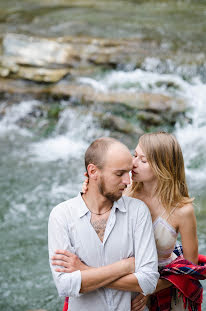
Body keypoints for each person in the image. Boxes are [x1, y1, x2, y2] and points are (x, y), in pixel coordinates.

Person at [56, 132, 204, 311]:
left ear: (162, 166)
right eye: (135, 155)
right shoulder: (123, 190)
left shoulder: (182, 210)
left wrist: (149, 290)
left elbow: (190, 270)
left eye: (143, 160)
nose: (133, 163)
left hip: (162, 285)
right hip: (124, 278)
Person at [48, 137, 159, 311]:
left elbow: (148, 282)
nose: (128, 181)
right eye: (119, 173)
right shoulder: (61, 215)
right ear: (93, 171)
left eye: (128, 172)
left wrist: (84, 271)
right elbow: (65, 286)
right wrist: (124, 267)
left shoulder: (138, 211)